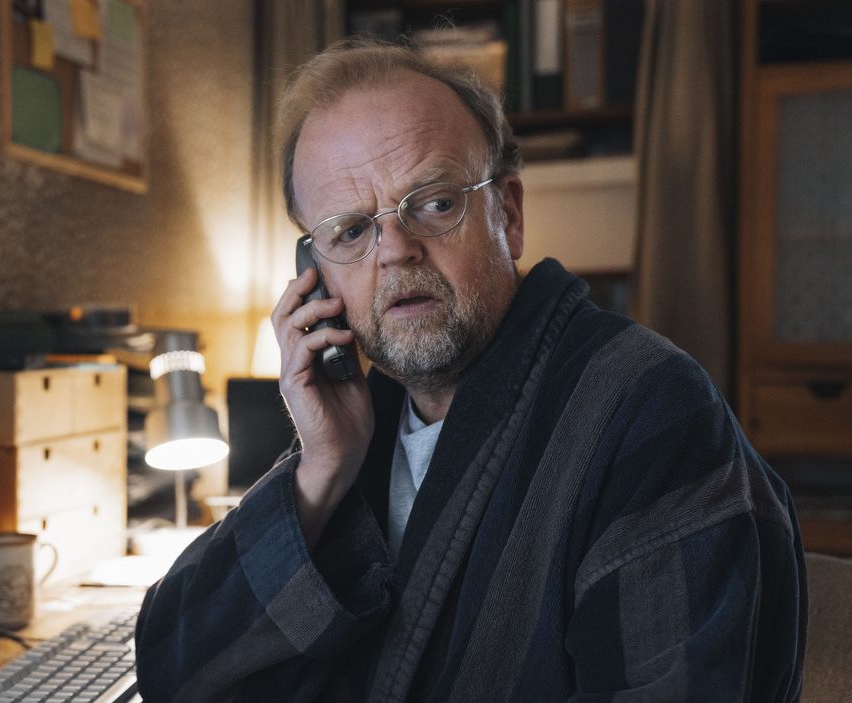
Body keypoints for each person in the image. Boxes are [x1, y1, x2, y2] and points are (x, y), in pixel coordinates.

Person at [134, 38, 806, 702]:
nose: (395, 250)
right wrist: (318, 472)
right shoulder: (364, 430)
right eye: (350, 230)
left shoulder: (649, 410)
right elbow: (172, 666)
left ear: (507, 216)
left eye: (434, 202)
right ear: (314, 275)